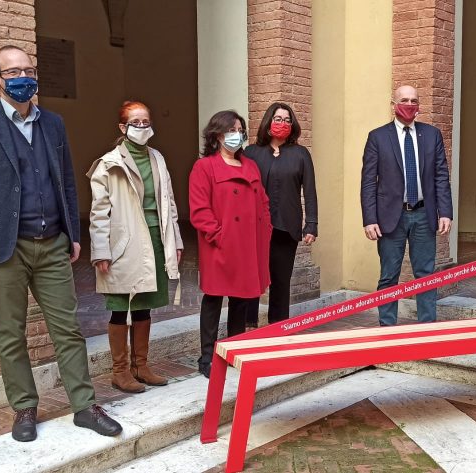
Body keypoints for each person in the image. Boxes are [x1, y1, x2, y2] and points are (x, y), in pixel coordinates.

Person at [0, 45, 122, 442]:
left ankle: (84, 406)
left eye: (28, 70)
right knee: (10, 332)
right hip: (3, 248)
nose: (23, 78)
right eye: (13, 73)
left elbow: (65, 180)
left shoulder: (53, 124)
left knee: (68, 329)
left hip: (52, 243)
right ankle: (25, 408)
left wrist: (72, 234)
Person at [87, 101, 183, 393]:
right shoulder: (108, 164)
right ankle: (120, 371)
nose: (142, 127)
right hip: (123, 243)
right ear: (122, 127)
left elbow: (169, 202)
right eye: (135, 122)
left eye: (145, 121)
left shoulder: (158, 158)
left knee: (145, 306)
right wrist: (100, 250)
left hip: (155, 237)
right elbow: (98, 211)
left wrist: (175, 239)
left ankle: (142, 366)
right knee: (121, 306)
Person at [361, 85, 453, 326]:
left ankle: (426, 328)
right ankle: (387, 328)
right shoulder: (378, 137)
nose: (409, 105)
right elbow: (368, 182)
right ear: (393, 103)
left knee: (426, 275)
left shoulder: (431, 135)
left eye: (414, 100)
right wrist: (369, 219)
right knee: (389, 275)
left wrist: (445, 212)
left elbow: (441, 175)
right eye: (404, 100)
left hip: (424, 215)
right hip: (391, 218)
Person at [189, 110, 272, 377]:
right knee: (213, 299)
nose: (238, 135)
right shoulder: (204, 167)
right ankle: (206, 357)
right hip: (221, 245)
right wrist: (218, 235)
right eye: (232, 130)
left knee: (242, 300)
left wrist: (266, 229)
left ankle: (236, 350)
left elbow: (263, 202)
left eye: (241, 130)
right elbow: (199, 209)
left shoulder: (250, 166)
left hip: (249, 244)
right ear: (217, 135)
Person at [243, 103, 318, 327]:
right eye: (278, 118)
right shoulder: (251, 153)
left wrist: (311, 224)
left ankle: (277, 329)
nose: (282, 123)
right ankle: (248, 327)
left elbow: (310, 191)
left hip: (287, 227)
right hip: (255, 227)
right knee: (253, 279)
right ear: (268, 121)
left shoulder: (301, 154)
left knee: (281, 281)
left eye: (287, 120)